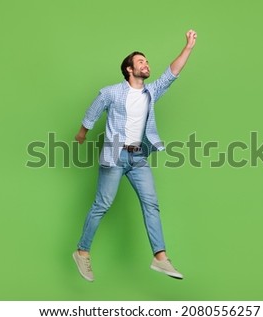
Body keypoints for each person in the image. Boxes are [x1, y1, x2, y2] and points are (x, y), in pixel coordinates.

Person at [73, 30, 197, 282]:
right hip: (115, 156)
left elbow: (171, 75)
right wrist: (82, 133)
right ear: (129, 69)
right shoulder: (111, 93)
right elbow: (93, 111)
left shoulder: (151, 93)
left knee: (151, 204)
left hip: (138, 158)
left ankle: (160, 258)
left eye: (147, 61)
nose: (146, 64)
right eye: (141, 61)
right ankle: (82, 251)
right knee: (102, 205)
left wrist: (188, 48)